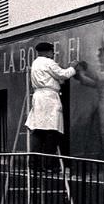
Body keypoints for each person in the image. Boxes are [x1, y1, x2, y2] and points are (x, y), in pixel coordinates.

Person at [25, 42, 79, 171]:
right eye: (52, 51)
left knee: (38, 129)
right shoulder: (48, 62)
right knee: (52, 131)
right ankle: (49, 163)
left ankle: (34, 162)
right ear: (47, 52)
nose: (53, 54)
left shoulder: (36, 63)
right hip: (49, 97)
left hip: (38, 97)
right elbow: (63, 74)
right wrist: (72, 67)